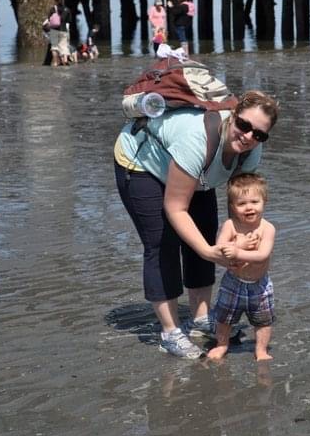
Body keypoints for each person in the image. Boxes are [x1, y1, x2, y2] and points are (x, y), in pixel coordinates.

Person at [114, 91, 279, 358]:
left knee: (205, 231)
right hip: (142, 161)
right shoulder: (197, 140)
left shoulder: (250, 150)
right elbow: (175, 207)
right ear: (233, 116)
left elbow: (239, 201)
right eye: (244, 125)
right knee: (162, 242)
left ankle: (201, 320)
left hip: (198, 170)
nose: (248, 136)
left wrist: (237, 242)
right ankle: (170, 333)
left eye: (259, 134)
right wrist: (207, 252)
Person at [207, 173, 276, 361]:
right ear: (232, 207)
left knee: (263, 320)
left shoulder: (267, 228)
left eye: (254, 201)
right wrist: (241, 245)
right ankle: (222, 345)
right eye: (241, 203)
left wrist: (237, 252)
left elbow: (262, 255)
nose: (249, 207)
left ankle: (261, 350)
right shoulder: (230, 225)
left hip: (259, 285)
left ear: (264, 201)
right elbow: (220, 248)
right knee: (224, 318)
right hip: (233, 282)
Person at [46, 0, 72, 66]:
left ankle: (55, 62)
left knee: (54, 47)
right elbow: (69, 21)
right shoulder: (67, 9)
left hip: (54, 30)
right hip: (64, 30)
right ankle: (65, 60)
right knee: (64, 46)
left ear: (55, 1)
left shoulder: (52, 9)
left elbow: (49, 19)